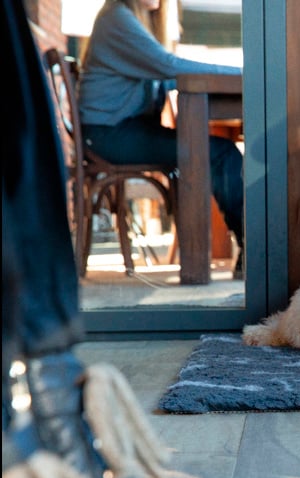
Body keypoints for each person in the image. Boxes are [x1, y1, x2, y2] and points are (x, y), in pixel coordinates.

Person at [2, 0, 194, 478]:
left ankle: (50, 403)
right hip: (113, 138)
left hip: (124, 130)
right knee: (209, 152)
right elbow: (172, 70)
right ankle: (44, 409)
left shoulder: (133, 24)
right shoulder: (119, 19)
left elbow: (164, 74)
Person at [78, 0, 245, 279]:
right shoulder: (117, 17)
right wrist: (243, 75)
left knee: (218, 151)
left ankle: (246, 246)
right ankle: (251, 248)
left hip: (118, 130)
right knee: (220, 152)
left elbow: (165, 74)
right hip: (108, 135)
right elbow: (168, 66)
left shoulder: (130, 19)